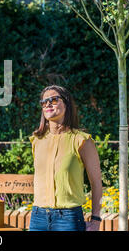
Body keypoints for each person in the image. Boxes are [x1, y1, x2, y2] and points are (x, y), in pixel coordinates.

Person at [28, 85, 103, 231]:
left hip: (68, 219)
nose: (48, 104)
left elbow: (96, 183)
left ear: (66, 104)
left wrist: (96, 220)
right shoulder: (37, 141)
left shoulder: (82, 140)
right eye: (44, 102)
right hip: (38, 218)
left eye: (54, 100)